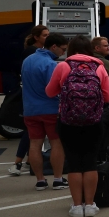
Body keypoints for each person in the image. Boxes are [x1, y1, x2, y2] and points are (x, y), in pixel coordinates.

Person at [46, 35, 109, 217]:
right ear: (90, 50)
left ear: (70, 49)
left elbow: (50, 92)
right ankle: (90, 205)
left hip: (68, 122)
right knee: (90, 162)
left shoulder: (63, 66)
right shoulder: (99, 67)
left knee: (74, 163)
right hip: (93, 121)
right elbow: (107, 97)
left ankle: (77, 207)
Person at [20, 33, 69, 191]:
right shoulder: (51, 65)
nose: (63, 53)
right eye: (62, 49)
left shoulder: (27, 61)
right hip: (50, 109)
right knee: (57, 144)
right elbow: (55, 89)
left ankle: (40, 180)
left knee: (34, 144)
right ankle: (57, 179)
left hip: (30, 109)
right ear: (53, 46)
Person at [7, 25, 49, 176]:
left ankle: (28, 162)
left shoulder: (34, 52)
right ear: (36, 37)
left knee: (33, 133)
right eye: (44, 35)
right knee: (31, 132)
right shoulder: (33, 53)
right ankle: (18, 163)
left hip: (34, 99)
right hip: (35, 99)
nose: (47, 38)